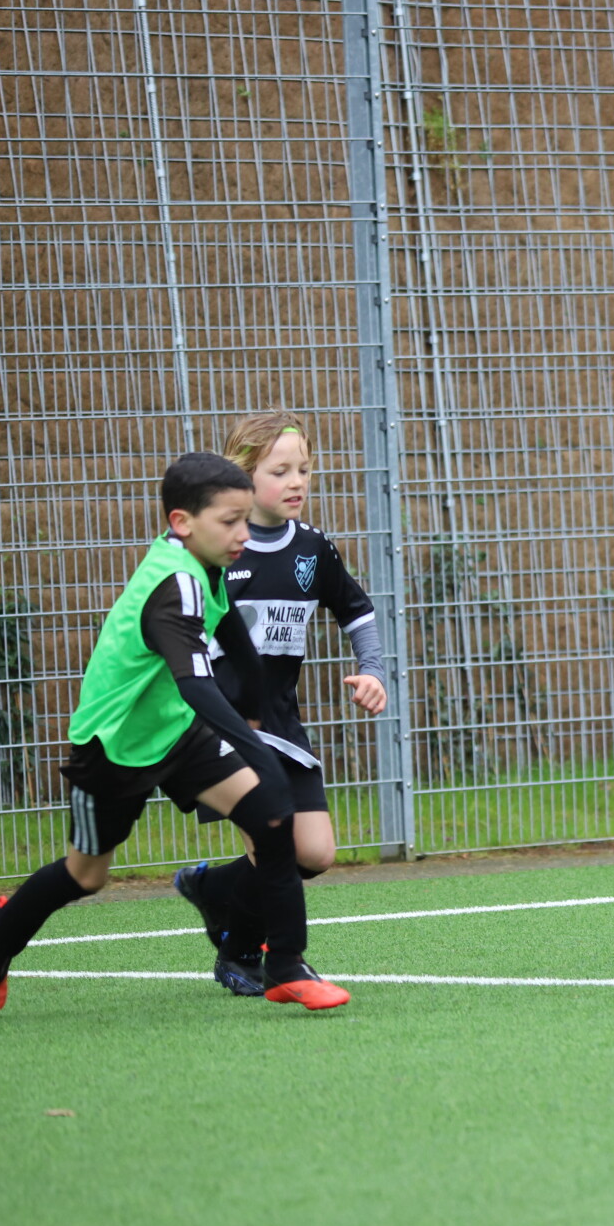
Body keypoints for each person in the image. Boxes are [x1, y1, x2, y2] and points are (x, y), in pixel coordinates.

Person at [0, 453, 349, 1011]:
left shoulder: (205, 559)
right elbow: (195, 684)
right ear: (181, 522)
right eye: (230, 521)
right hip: (114, 745)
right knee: (86, 875)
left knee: (271, 816)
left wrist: (254, 708)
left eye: (244, 520)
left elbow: (230, 629)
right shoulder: (174, 584)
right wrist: (255, 747)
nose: (243, 534)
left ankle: (286, 965)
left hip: (177, 730)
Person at [173, 412, 389, 994]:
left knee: (314, 854)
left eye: (304, 470)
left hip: (282, 727)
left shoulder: (313, 549)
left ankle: (213, 890)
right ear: (243, 478)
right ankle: (248, 954)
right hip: (220, 727)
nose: (296, 481)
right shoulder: (218, 551)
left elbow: (357, 611)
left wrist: (372, 671)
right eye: (280, 471)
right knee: (270, 844)